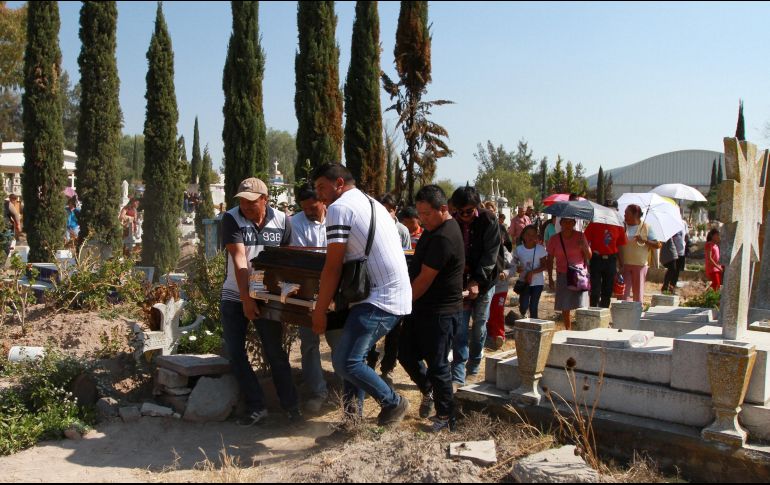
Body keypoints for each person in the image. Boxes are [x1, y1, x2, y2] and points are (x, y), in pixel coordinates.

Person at [311, 163, 412, 426]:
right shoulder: (372, 203)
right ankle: (351, 421)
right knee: (355, 357)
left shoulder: (339, 207)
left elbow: (332, 267)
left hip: (380, 298)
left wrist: (320, 311)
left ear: (340, 183)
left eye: (322, 187)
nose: (319, 195)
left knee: (346, 361)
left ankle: (393, 402)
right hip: (386, 294)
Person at [221, 177, 301, 426]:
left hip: (267, 296)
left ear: (264, 200)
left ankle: (291, 407)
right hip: (236, 294)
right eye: (242, 201)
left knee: (275, 352)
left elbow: (287, 261)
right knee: (235, 353)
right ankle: (256, 406)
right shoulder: (232, 218)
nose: (245, 206)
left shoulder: (282, 221)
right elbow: (239, 260)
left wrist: (287, 296)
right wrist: (246, 299)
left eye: (251, 202)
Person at [399, 185, 464, 432]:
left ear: (443, 209)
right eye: (420, 214)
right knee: (405, 352)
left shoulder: (444, 236)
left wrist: (402, 304)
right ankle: (429, 391)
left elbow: (425, 279)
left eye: (427, 214)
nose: (422, 219)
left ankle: (447, 416)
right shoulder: (434, 229)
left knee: (438, 365)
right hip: (422, 308)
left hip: (439, 311)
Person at [450, 186, 503, 386]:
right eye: (460, 211)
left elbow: (490, 255)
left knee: (479, 325)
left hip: (486, 280)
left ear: (477, 207)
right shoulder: (452, 221)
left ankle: (474, 365)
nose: (464, 216)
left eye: (469, 211)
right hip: (460, 281)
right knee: (460, 327)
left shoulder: (489, 220)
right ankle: (458, 372)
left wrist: (477, 280)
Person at [290, 183, 333, 414]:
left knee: (339, 342)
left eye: (312, 206)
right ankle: (318, 391)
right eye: (304, 207)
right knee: (309, 343)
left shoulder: (336, 218)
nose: (308, 211)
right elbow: (303, 258)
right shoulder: (295, 223)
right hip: (308, 290)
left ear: (323, 201)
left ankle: (345, 390)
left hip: (336, 290)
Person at [547, 217, 591, 330]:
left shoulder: (581, 236)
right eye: (565, 221)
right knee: (565, 305)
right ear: (560, 223)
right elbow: (550, 259)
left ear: (574, 223)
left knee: (581, 304)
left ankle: (583, 329)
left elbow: (589, 255)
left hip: (579, 275)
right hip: (563, 274)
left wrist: (584, 247)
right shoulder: (554, 239)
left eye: (570, 222)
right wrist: (550, 278)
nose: (567, 224)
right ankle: (568, 329)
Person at [620, 204, 662, 303]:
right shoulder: (622, 226)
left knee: (637, 294)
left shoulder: (646, 228)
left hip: (640, 266)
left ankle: (637, 313)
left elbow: (657, 244)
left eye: (627, 213)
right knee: (623, 294)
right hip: (624, 264)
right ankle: (624, 314)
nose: (625, 215)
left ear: (635, 214)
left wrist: (644, 240)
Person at [584, 222, 627, 308]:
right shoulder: (594, 223)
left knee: (608, 289)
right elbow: (585, 241)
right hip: (596, 259)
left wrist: (622, 263)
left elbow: (620, 246)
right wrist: (586, 260)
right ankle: (593, 309)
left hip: (611, 260)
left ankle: (604, 310)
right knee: (595, 289)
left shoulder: (618, 225)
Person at [515, 225, 548, 319]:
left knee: (533, 306)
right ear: (523, 236)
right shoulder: (519, 249)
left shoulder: (540, 249)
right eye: (528, 234)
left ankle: (534, 327)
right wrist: (517, 268)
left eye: (533, 235)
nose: (530, 237)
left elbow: (544, 266)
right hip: (524, 281)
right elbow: (514, 262)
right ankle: (524, 315)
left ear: (536, 237)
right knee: (523, 305)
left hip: (538, 282)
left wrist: (532, 272)